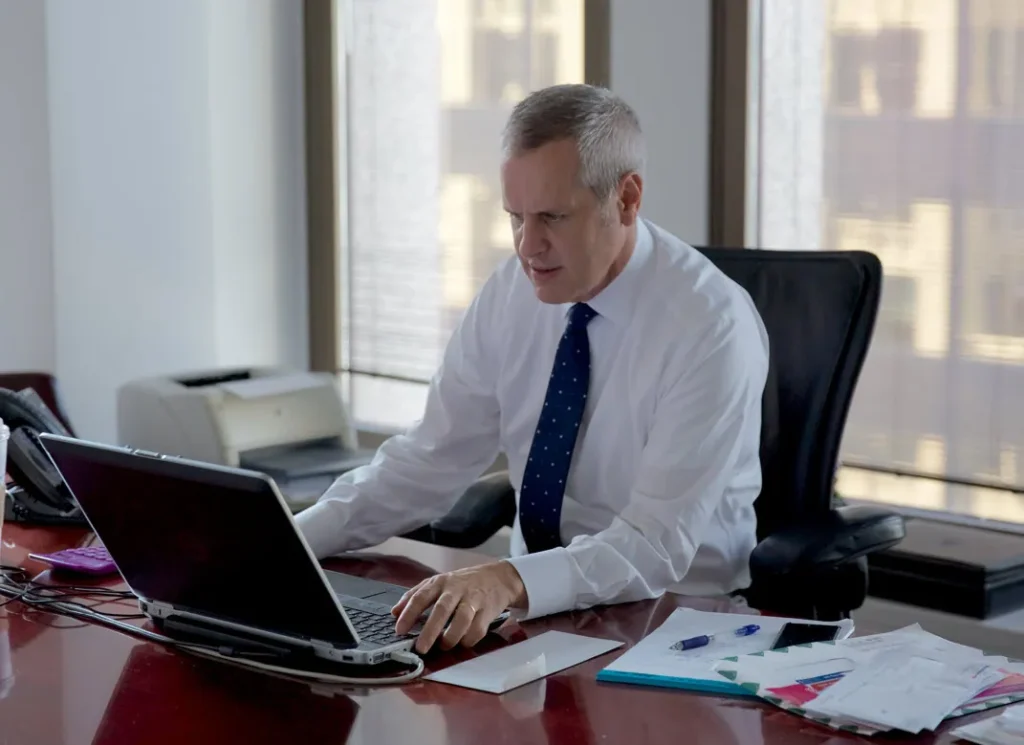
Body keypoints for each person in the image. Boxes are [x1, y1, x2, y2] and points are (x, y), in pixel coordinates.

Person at [296, 83, 769, 655]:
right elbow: (430, 458)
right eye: (515, 217)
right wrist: (292, 541)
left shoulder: (710, 325)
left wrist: (508, 579)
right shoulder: (512, 291)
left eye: (552, 217)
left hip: (676, 622)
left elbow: (653, 546)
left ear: (626, 199)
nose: (528, 246)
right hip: (533, 613)